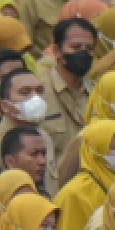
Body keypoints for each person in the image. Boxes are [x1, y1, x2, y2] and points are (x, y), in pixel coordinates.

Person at [39, 18, 94, 162]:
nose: (83, 53)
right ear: (57, 51)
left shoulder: (98, 94)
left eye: (89, 49)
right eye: (76, 47)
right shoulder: (39, 94)